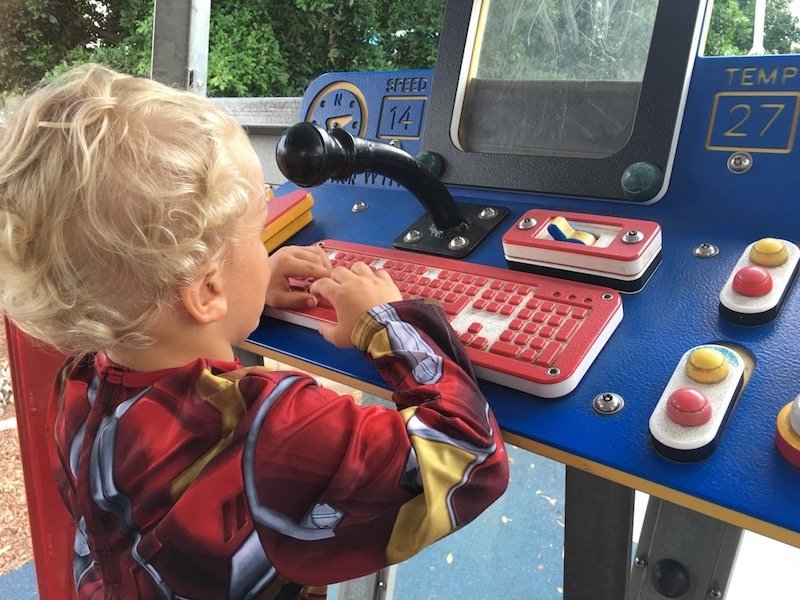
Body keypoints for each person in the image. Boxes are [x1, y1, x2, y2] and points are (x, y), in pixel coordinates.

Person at [0, 64, 509, 600]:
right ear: (205, 290)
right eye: (254, 231)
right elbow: (468, 461)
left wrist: (246, 288)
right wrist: (387, 322)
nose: (263, 245)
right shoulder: (277, 432)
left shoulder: (80, 385)